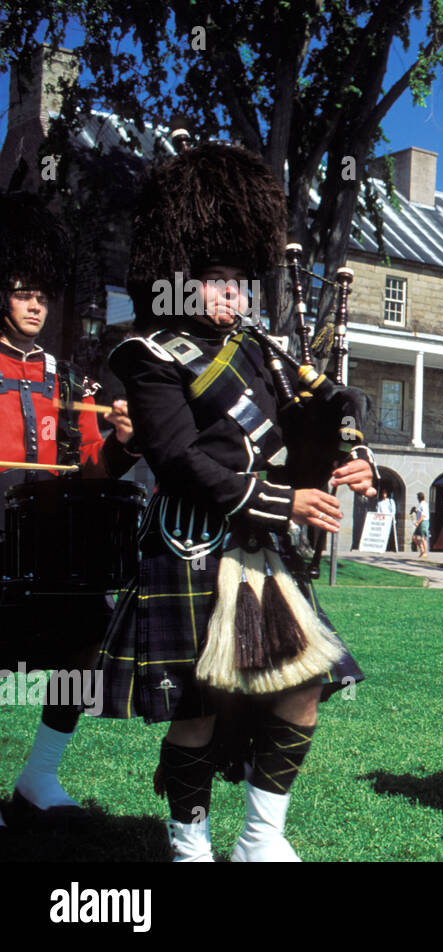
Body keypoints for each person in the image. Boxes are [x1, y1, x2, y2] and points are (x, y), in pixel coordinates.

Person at [96, 142, 376, 861]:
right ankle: (189, 844)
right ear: (182, 282)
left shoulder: (263, 351)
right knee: (198, 707)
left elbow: (328, 406)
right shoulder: (147, 356)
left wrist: (354, 457)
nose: (232, 295)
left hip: (262, 552)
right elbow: (180, 461)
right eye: (216, 281)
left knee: (301, 689)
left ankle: (260, 840)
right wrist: (286, 505)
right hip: (192, 546)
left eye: (239, 281)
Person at [0, 191, 138, 831]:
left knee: (87, 643)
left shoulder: (64, 377)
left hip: (49, 534)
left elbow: (89, 467)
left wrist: (120, 442)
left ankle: (38, 775)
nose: (35, 305)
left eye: (42, 296)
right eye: (24, 292)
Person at [411, 492, 429, 557]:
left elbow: (423, 515)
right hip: (420, 522)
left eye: (417, 497)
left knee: (423, 538)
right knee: (414, 537)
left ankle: (425, 553)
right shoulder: (420, 504)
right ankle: (422, 550)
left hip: (423, 522)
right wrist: (415, 511)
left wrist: (417, 522)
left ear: (419, 498)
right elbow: (419, 513)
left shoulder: (424, 504)